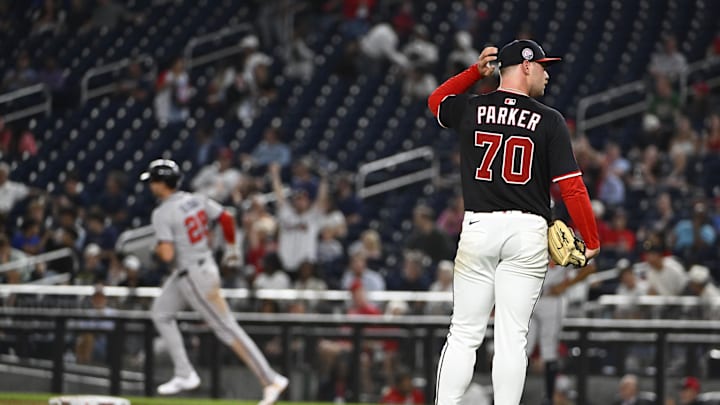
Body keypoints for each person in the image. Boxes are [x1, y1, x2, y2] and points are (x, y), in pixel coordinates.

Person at [427, 40, 600, 405]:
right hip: (527, 233)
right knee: (512, 337)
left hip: (479, 227)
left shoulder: (473, 108)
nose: (546, 73)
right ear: (524, 66)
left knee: (463, 334)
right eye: (541, 65)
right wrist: (591, 238)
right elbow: (571, 186)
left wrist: (474, 74)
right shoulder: (549, 119)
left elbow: (437, 102)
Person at [139, 159, 287, 404]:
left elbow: (166, 255)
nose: (150, 186)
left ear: (161, 183)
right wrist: (231, 248)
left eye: (153, 181)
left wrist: (155, 250)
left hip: (194, 276)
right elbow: (227, 218)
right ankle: (184, 373)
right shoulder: (196, 199)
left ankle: (270, 379)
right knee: (161, 312)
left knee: (227, 328)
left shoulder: (162, 212)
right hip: (198, 266)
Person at [527, 261, 596, 405]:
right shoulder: (530, 238)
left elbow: (589, 267)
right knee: (521, 349)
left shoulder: (566, 240)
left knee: (548, 350)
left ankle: (549, 397)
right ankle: (511, 395)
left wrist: (565, 285)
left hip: (552, 298)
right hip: (529, 295)